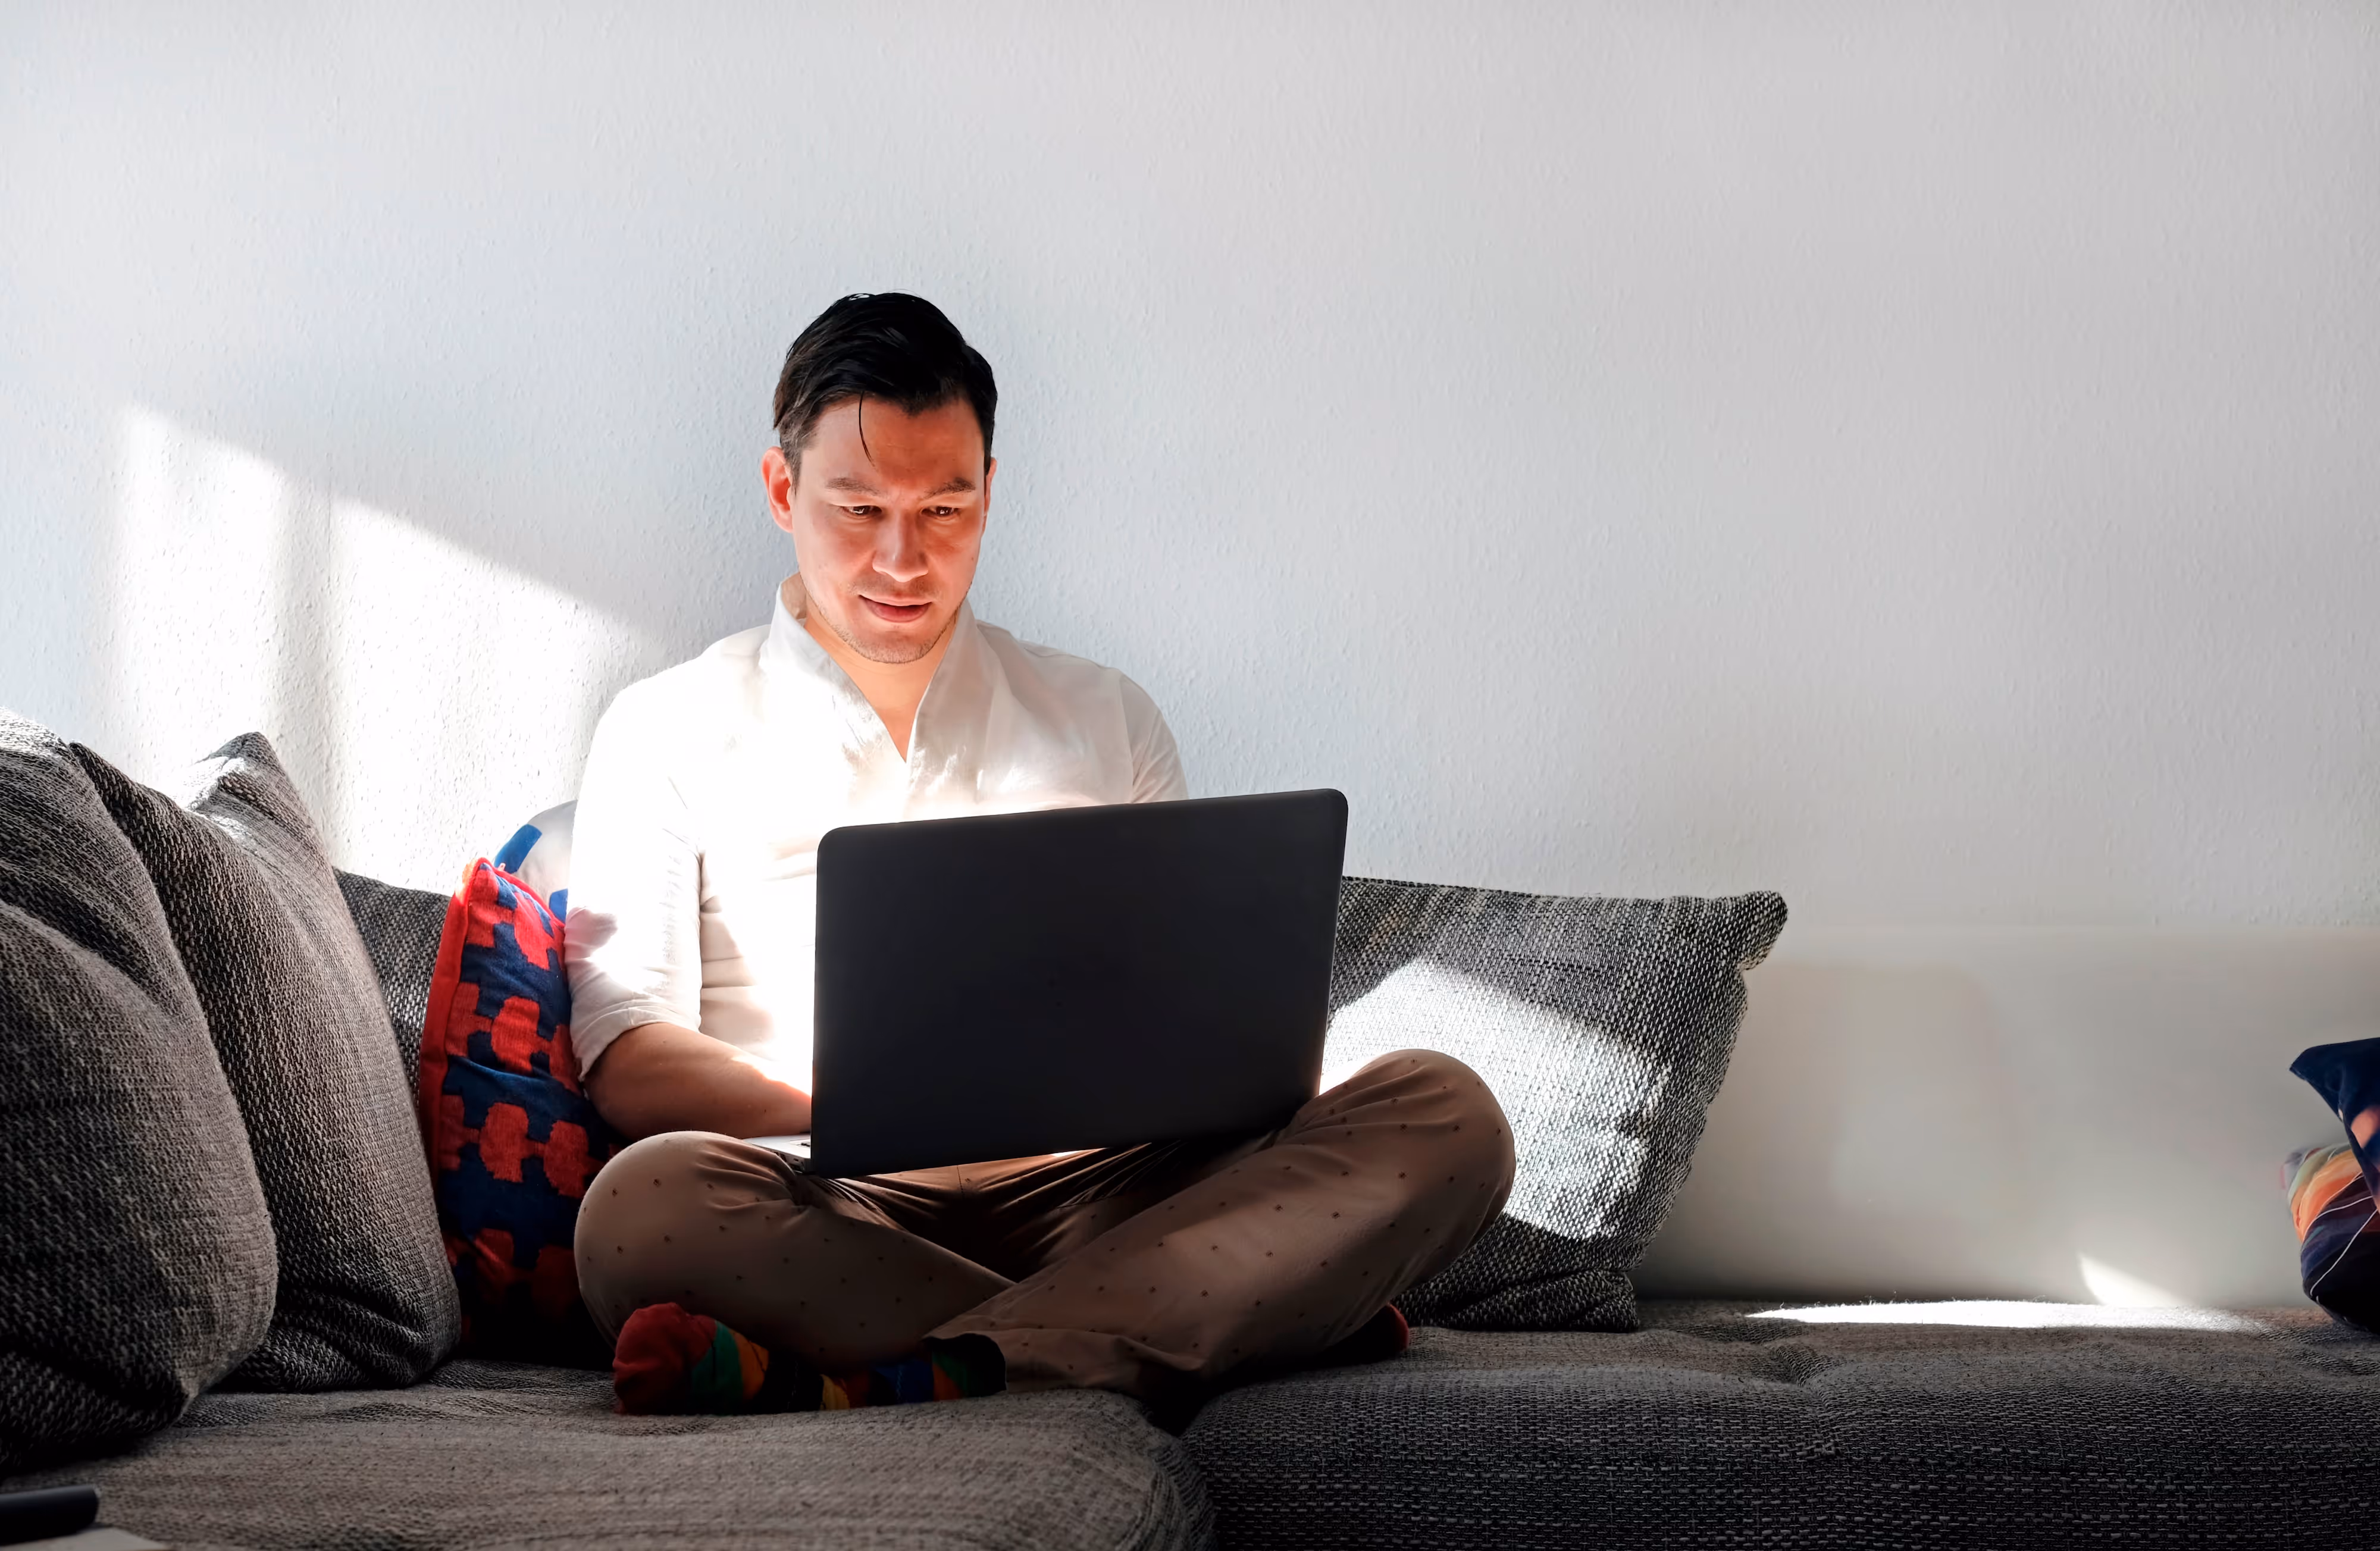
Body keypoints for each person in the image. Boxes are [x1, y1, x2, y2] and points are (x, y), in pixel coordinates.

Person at [565, 292, 1514, 1417]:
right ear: (783, 491)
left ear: (990, 495)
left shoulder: (1104, 714)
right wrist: (851, 1098)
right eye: (859, 508)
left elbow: (1197, 1029)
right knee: (640, 1210)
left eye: (945, 510)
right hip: (835, 1199)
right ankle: (1204, 1325)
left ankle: (944, 1370)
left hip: (1111, 1189)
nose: (902, 557)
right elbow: (625, 1060)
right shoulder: (665, 724)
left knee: (1447, 1111)